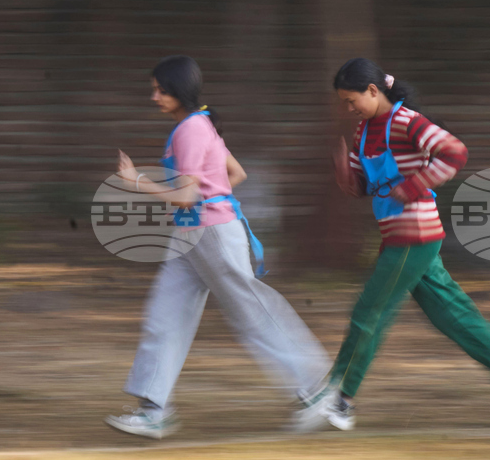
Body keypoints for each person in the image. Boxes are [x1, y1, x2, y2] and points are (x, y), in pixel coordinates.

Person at [306, 57, 490, 431]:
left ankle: (340, 398)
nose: (347, 108)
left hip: (414, 235)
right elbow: (361, 186)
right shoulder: (362, 132)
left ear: (373, 90)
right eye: (344, 102)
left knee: (370, 312)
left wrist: (413, 186)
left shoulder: (407, 122)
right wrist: (343, 174)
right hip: (398, 236)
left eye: (352, 100)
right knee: (449, 313)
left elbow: (454, 152)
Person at [105, 55, 330, 439]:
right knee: (165, 316)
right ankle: (153, 411)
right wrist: (214, 196)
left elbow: (189, 195)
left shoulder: (191, 130)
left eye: (161, 90)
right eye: (154, 89)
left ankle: (318, 392)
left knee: (252, 312)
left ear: (179, 91)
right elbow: (234, 173)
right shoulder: (199, 125)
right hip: (193, 237)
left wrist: (136, 181)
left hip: (211, 234)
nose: (154, 97)